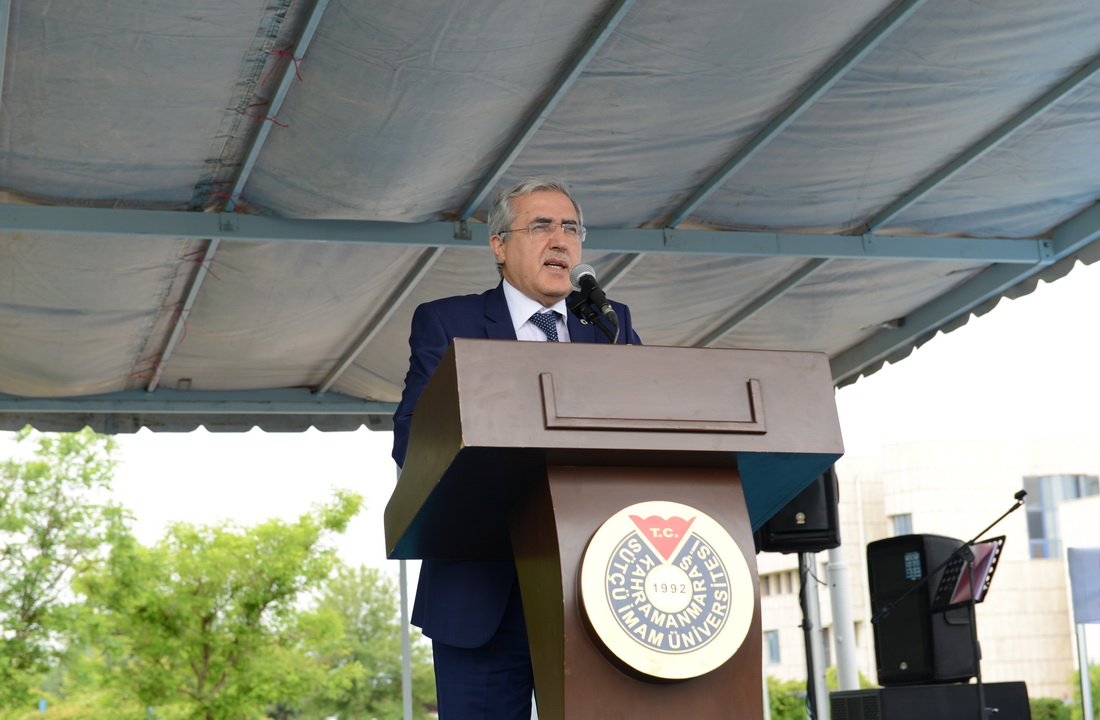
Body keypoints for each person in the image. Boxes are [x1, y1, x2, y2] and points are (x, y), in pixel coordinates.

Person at [391, 177, 641, 719]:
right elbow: (414, 439)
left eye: (570, 227)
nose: (560, 239)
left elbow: (647, 430)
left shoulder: (609, 323)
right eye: (541, 225)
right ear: (499, 246)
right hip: (482, 591)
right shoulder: (449, 322)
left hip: (594, 588)